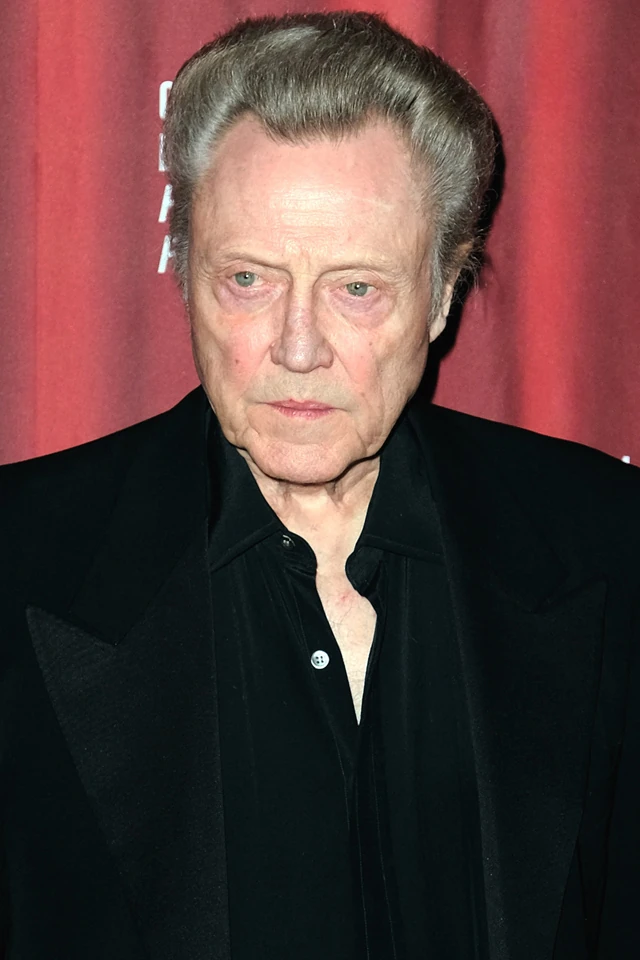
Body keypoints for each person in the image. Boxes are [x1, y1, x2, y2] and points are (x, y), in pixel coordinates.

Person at [1, 10, 638, 960]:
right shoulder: (19, 562)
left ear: (443, 295)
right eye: (249, 280)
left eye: (356, 289)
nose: (298, 349)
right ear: (186, 276)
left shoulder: (610, 545)